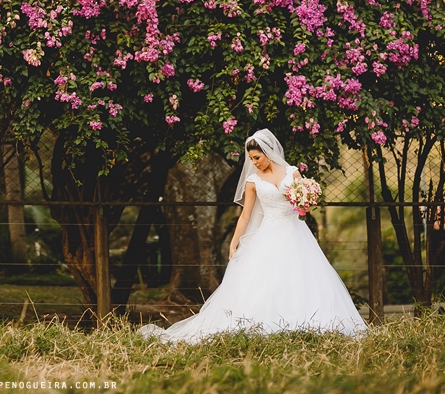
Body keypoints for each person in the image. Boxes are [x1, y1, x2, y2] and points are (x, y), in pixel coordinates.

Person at [138, 128, 367, 343]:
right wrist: (234, 242)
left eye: (257, 157)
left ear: (268, 153)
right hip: (269, 233)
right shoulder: (253, 181)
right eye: (251, 159)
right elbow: (245, 216)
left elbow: (302, 207)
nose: (254, 162)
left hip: (296, 232)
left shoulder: (292, 172)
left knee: (303, 276)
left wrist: (305, 205)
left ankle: (309, 324)